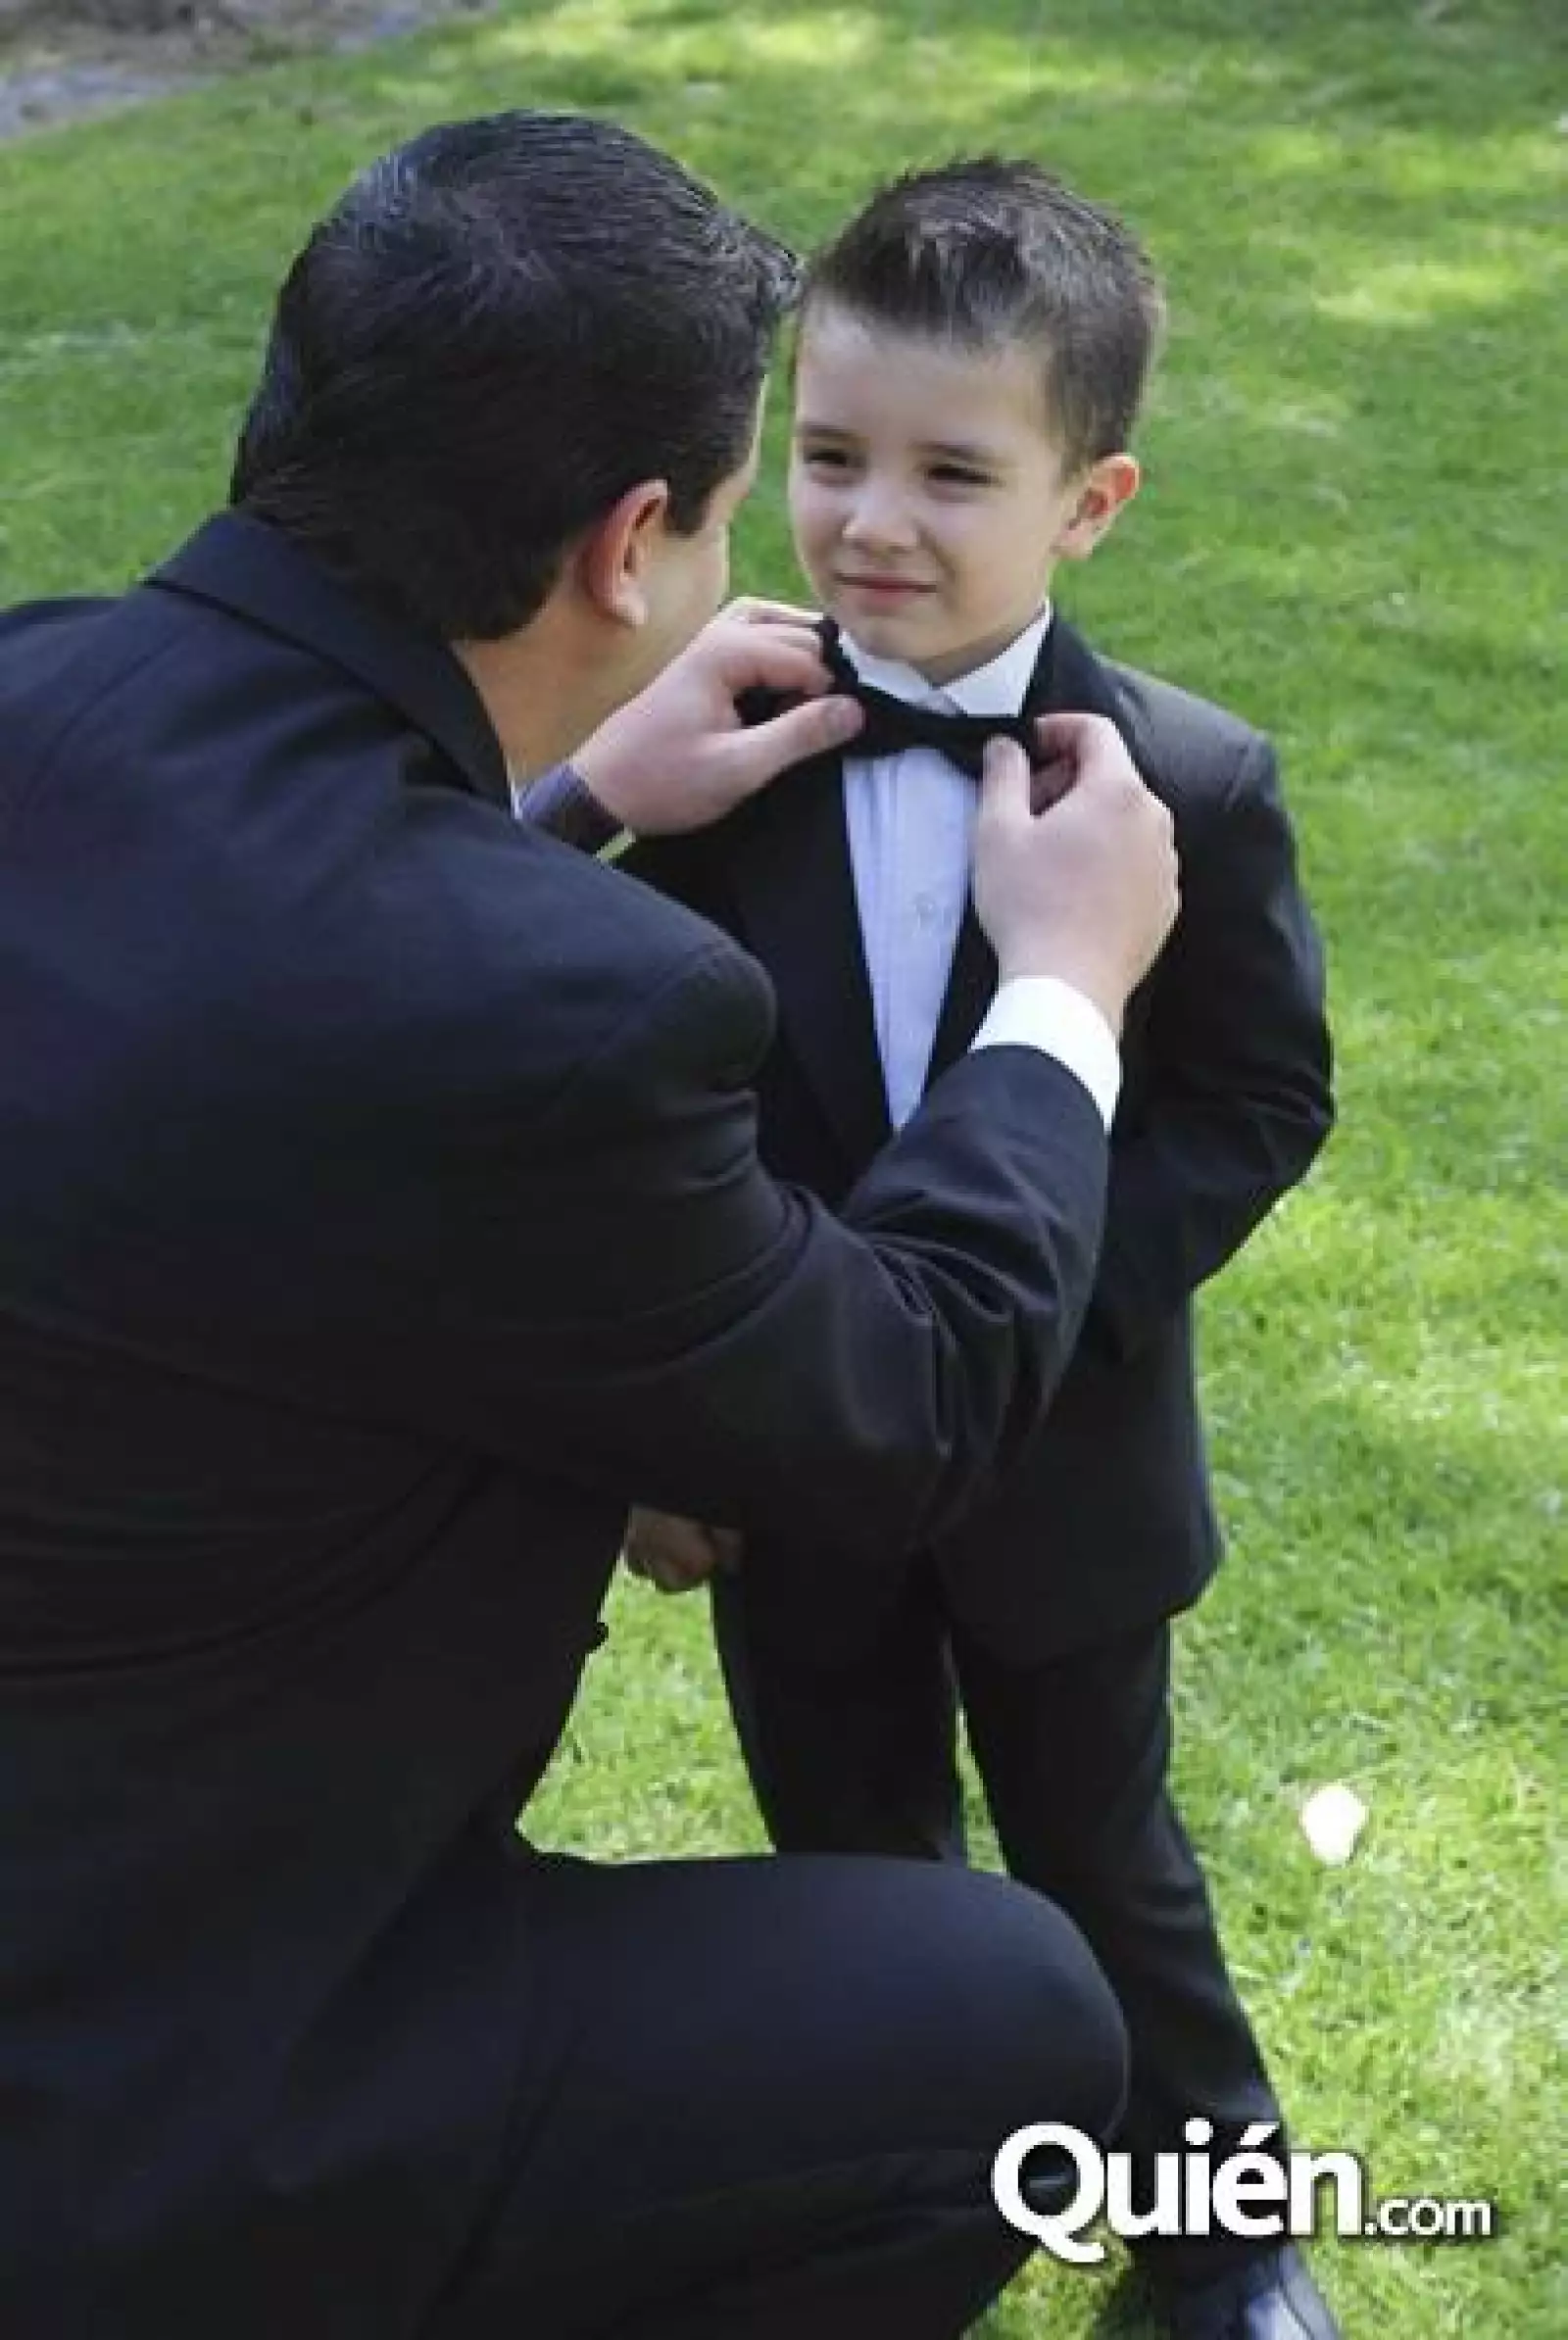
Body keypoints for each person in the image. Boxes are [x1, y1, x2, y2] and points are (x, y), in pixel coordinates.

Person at [0, 114, 1184, 2340]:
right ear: (635, 544)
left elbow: (227, 1079)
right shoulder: (560, 1012)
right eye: (763, 491)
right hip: (159, 2079)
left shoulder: (31, 697)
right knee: (989, 2025)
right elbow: (904, 1398)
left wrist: (551, 814)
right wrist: (1058, 993)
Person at [624, 160, 1337, 2340]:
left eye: (953, 473)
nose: (872, 525)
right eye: (828, 459)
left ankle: (1222, 2239)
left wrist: (1048, 1316)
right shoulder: (698, 761)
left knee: (1105, 1860)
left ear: (1087, 501)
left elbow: (1251, 1097)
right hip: (787, 1464)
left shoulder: (1184, 790)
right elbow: (621, 1097)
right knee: (848, 1872)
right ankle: (908, 2229)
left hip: (1063, 1474)